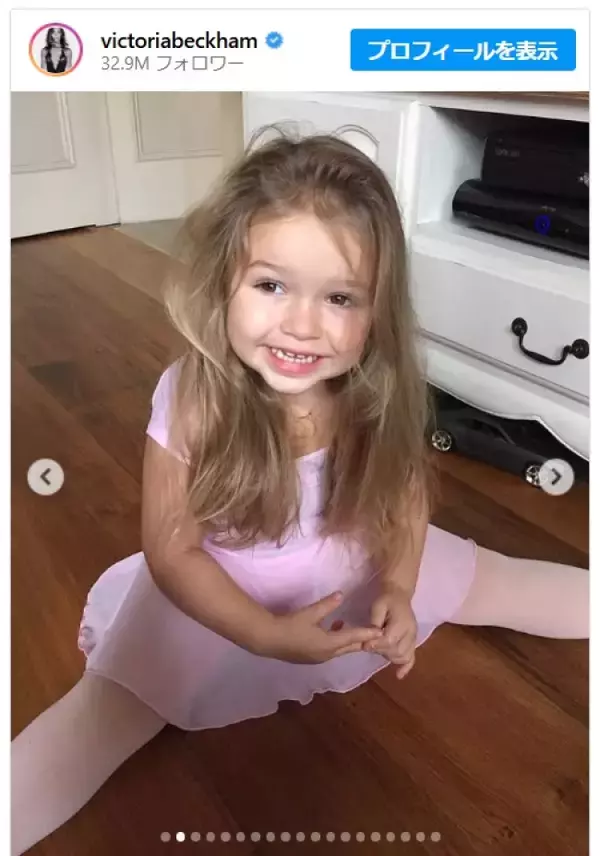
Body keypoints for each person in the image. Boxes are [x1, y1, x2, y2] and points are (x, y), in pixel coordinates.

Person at [11, 132, 589, 855]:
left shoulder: (373, 392)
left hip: (353, 554)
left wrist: (400, 584)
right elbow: (172, 549)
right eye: (271, 285)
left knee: (504, 581)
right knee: (97, 721)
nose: (302, 325)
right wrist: (261, 632)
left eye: (339, 297)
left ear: (376, 312)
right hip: (217, 582)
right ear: (224, 279)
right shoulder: (195, 398)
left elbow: (404, 499)